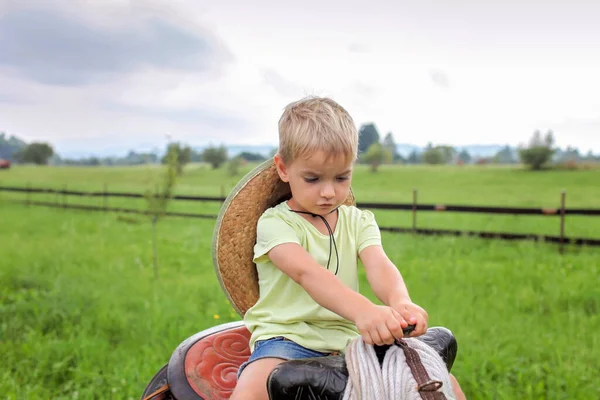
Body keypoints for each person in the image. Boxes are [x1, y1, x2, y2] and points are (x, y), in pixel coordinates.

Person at [230, 96, 465, 400]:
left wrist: (399, 300)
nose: (329, 192)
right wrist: (363, 310)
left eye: (342, 178)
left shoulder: (358, 221)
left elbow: (379, 264)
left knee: (443, 382)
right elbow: (306, 273)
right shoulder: (276, 224)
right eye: (312, 179)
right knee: (253, 390)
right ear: (284, 168)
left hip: (348, 337)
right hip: (287, 337)